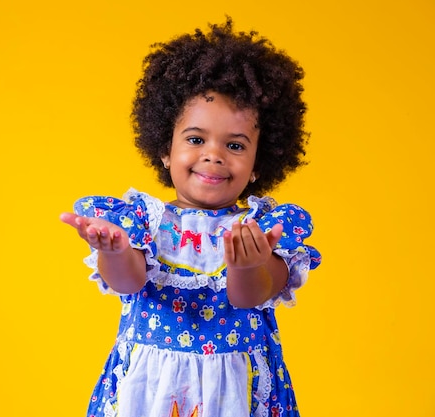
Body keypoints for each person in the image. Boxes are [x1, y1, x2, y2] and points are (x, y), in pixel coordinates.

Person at [60, 16, 321, 417]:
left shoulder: (264, 229)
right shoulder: (142, 221)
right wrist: (113, 251)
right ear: (165, 148)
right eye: (196, 139)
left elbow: (249, 294)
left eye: (235, 145)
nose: (213, 155)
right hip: (148, 392)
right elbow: (128, 281)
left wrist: (248, 265)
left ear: (258, 163)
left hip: (236, 393)